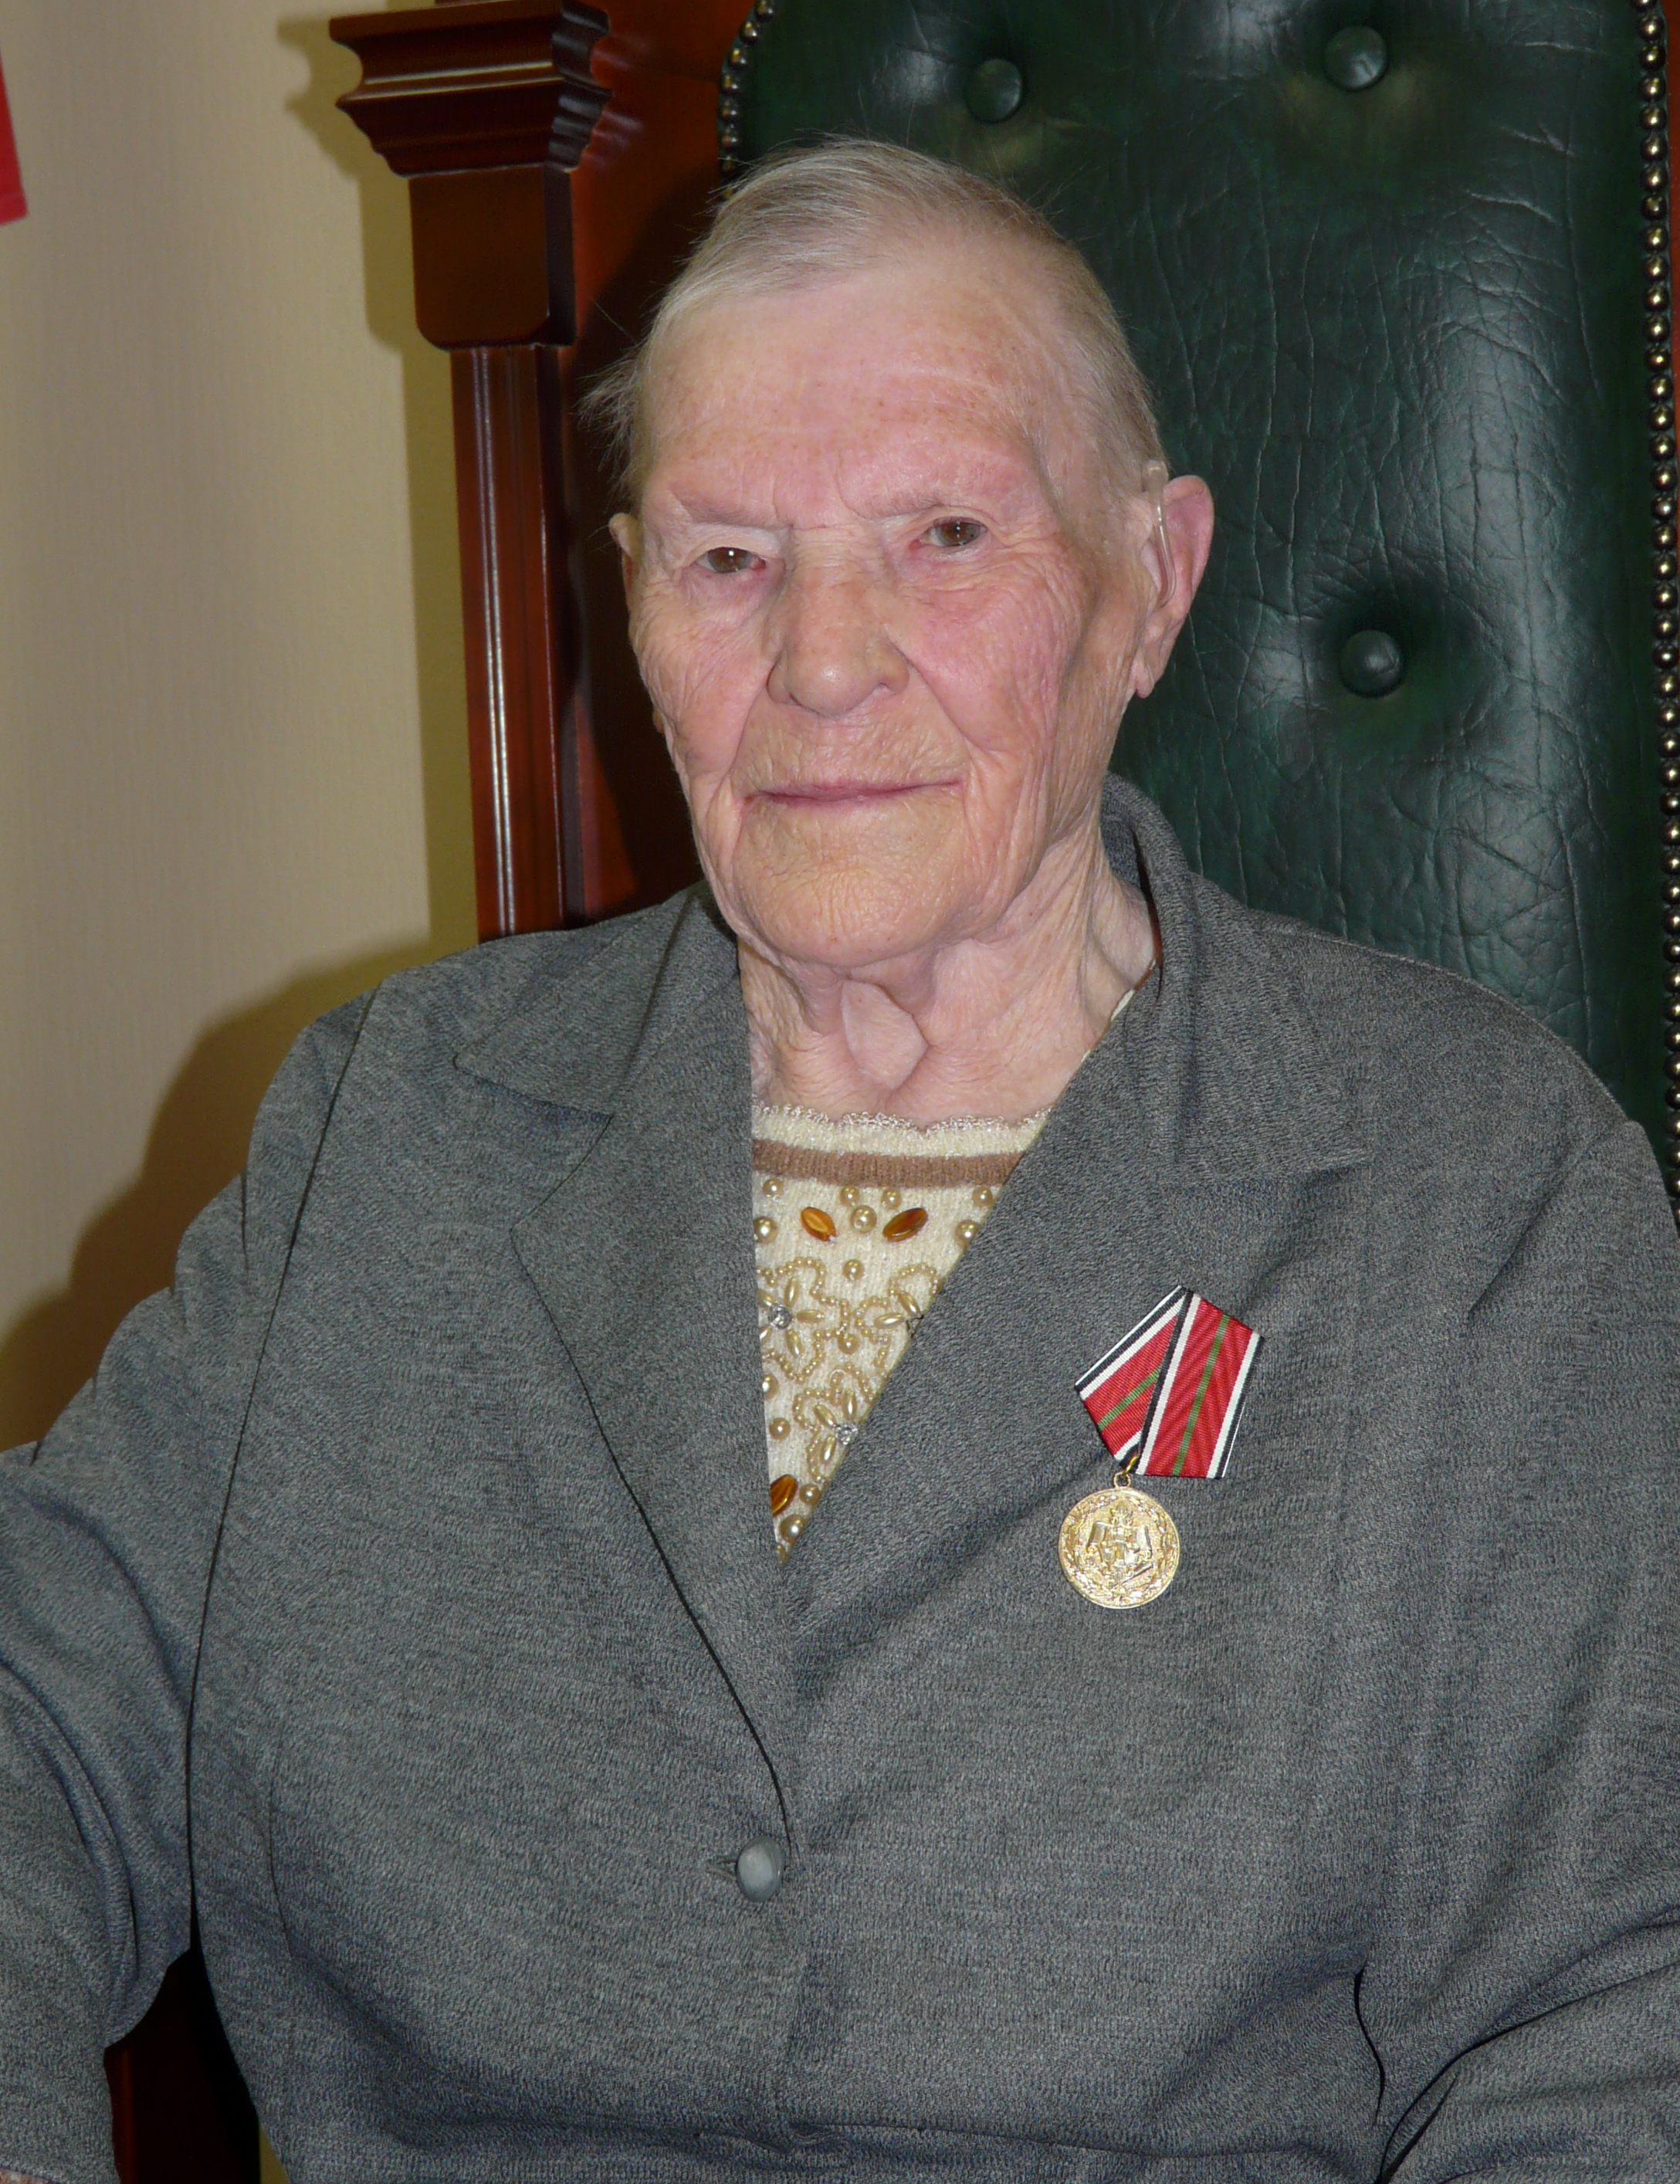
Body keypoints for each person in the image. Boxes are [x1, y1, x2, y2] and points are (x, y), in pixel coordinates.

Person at [2, 141, 1678, 2184]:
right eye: (728, 558)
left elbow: (1611, 2020)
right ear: (632, 596)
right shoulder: (403, 1122)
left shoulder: (1477, 1200)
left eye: (945, 535)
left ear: (1151, 584)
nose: (819, 660)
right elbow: (34, 1709)